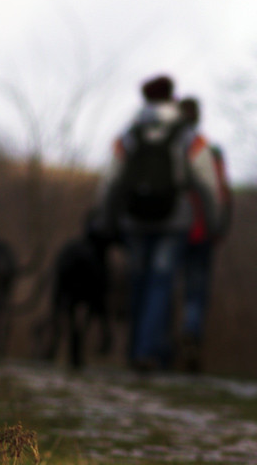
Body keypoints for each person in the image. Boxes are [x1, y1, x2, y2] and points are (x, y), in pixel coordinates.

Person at [98, 74, 221, 371]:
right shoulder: (188, 135)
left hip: (134, 218)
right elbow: (207, 180)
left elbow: (110, 178)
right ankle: (148, 351)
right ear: (171, 97)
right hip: (174, 217)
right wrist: (213, 220)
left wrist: (105, 215)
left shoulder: (129, 133)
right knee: (161, 284)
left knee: (137, 281)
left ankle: (133, 352)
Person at [178, 97, 232, 371]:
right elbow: (220, 191)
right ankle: (191, 334)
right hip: (200, 231)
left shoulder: (169, 144)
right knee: (195, 293)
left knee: (164, 290)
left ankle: (158, 350)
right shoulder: (207, 148)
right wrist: (218, 228)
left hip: (168, 228)